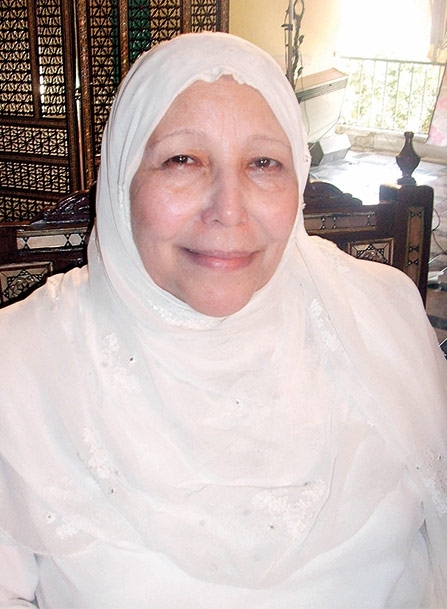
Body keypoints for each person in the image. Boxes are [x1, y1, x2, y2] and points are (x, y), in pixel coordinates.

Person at [0, 32, 446, 609]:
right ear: (121, 179)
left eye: (263, 163)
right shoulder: (21, 368)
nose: (228, 210)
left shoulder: (379, 317)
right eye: (182, 160)